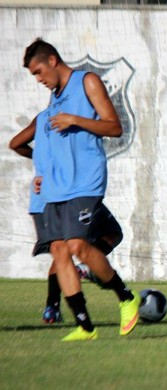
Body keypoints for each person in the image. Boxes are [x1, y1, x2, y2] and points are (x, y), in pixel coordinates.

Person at [23, 38, 139, 341]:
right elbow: (51, 144)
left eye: (38, 72)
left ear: (51, 60)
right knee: (60, 252)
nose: (38, 80)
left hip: (85, 182)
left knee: (77, 246)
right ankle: (85, 326)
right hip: (55, 187)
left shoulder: (87, 81)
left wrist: (76, 120)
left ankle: (126, 298)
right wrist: (42, 174)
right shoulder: (54, 99)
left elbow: (115, 127)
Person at [9, 119, 123, 325]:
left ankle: (54, 307)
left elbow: (15, 143)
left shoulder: (50, 117)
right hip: (63, 193)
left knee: (64, 248)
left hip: (57, 194)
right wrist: (47, 171)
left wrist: (42, 166)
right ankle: (87, 275)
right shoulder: (62, 117)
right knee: (67, 247)